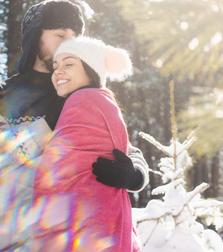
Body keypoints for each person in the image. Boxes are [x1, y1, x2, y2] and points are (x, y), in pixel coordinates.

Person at [0, 0, 149, 210]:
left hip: (64, 233)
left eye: (74, 38)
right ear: (35, 37)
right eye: (60, 35)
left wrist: (135, 175)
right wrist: (48, 125)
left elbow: (125, 147)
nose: (68, 43)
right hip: (3, 232)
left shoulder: (81, 96)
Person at [30, 36, 142, 251]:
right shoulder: (94, 102)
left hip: (83, 224)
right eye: (55, 67)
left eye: (68, 64)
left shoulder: (87, 100)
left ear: (91, 69)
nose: (58, 71)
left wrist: (136, 174)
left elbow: (124, 152)